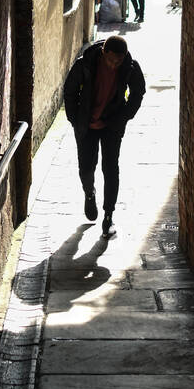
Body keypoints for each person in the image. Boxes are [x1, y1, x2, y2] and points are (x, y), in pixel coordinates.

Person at [63, 35, 146, 238]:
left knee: (110, 169)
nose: (113, 65)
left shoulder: (129, 67)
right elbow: (70, 90)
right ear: (103, 53)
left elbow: (138, 91)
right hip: (87, 125)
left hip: (112, 125)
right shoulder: (86, 64)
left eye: (118, 61)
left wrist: (124, 117)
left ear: (124, 57)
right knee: (86, 168)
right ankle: (89, 193)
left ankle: (108, 216)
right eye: (110, 60)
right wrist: (75, 118)